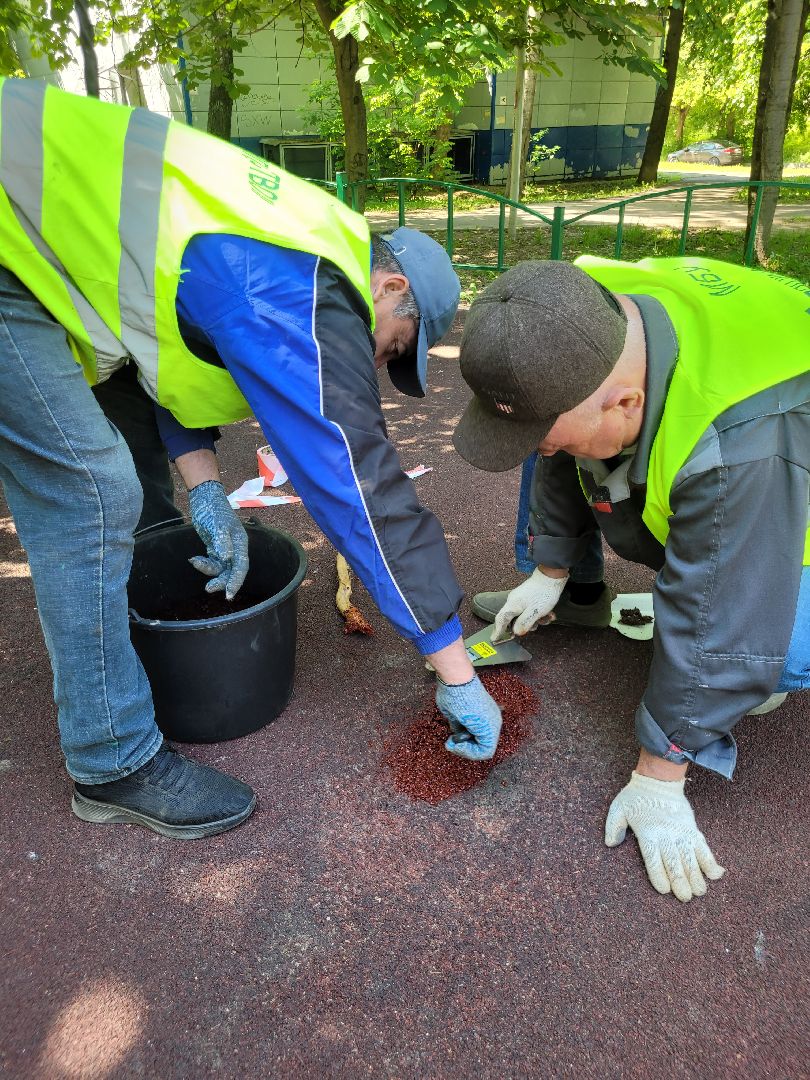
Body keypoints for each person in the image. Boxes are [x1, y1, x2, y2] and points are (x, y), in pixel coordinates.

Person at [0, 77, 502, 840]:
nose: (371, 366)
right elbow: (358, 484)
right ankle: (113, 760)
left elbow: (158, 344)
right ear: (390, 287)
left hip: (38, 253)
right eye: (391, 346)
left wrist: (203, 488)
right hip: (10, 248)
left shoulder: (276, 233)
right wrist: (451, 662)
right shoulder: (304, 285)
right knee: (93, 496)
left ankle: (126, 660)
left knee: (126, 476)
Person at [452, 257, 810, 902]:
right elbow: (559, 438)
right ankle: (582, 595)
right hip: (723, 449)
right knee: (560, 440)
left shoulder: (737, 446)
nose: (545, 449)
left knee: (776, 640)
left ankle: (765, 675)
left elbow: (723, 610)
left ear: (628, 401)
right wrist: (552, 570)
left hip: (784, 486)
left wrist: (660, 776)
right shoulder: (583, 312)